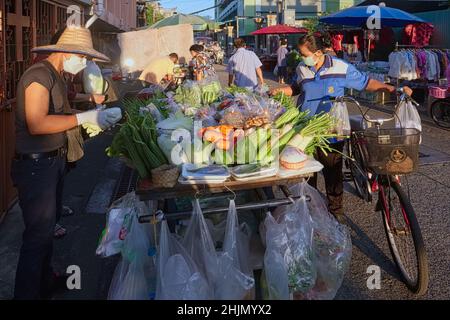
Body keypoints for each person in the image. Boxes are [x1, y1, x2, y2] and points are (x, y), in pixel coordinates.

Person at [12, 26, 122, 300]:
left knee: (47, 232)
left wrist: (92, 112)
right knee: (37, 237)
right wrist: (83, 119)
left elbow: (62, 109)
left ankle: (45, 283)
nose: (84, 64)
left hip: (53, 162)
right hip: (36, 166)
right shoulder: (38, 75)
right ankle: (25, 293)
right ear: (66, 52)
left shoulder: (56, 76)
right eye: (82, 57)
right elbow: (37, 123)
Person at [270, 33, 412, 223]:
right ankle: (309, 211)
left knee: (332, 172)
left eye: (305, 54)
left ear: (318, 53)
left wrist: (393, 89)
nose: (303, 58)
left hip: (331, 129)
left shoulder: (340, 67)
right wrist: (282, 91)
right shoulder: (302, 68)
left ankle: (336, 212)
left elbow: (366, 83)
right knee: (306, 174)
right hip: (305, 130)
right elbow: (297, 87)